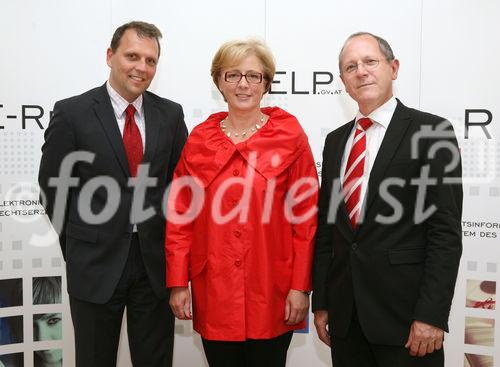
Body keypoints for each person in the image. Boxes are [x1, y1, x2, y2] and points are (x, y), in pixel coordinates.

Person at [38, 21, 188, 366]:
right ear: (110, 56)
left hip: (154, 268)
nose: (142, 67)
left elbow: (180, 190)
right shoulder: (72, 112)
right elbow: (53, 187)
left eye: (151, 60)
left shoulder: (170, 114)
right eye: (132, 56)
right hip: (94, 265)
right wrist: (79, 243)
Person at [312, 32, 462, 367]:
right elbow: (328, 230)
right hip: (346, 320)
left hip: (407, 322)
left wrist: (431, 315)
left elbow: (445, 233)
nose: (361, 72)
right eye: (351, 67)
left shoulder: (432, 132)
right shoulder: (336, 142)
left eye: (370, 62)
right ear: (344, 82)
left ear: (393, 68)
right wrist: (321, 302)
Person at [165, 39, 318, 367]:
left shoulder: (290, 136)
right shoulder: (199, 140)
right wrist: (178, 282)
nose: (243, 84)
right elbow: (180, 216)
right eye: (232, 75)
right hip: (214, 290)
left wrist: (300, 287)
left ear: (266, 82)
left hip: (273, 291)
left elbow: (306, 220)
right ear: (218, 81)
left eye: (253, 76)